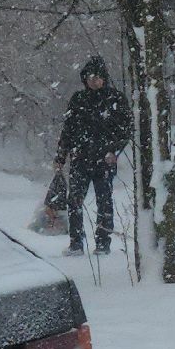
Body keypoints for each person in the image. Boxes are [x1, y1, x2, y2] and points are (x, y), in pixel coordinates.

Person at [43, 55, 132, 253]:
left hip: (104, 159)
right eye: (90, 77)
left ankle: (103, 243)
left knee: (104, 200)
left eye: (98, 77)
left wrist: (113, 150)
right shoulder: (78, 99)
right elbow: (68, 130)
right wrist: (61, 156)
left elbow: (126, 130)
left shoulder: (115, 99)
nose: (94, 80)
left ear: (104, 78)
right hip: (80, 158)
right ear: (85, 78)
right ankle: (76, 243)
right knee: (74, 200)